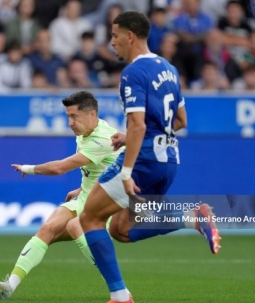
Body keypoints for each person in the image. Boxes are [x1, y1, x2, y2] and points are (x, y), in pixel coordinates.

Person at [78, 11, 221, 303]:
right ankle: (192, 218)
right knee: (121, 229)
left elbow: (139, 124)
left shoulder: (132, 72)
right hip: (168, 161)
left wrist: (128, 171)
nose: (112, 42)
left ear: (130, 36)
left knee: (89, 218)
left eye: (115, 35)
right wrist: (127, 137)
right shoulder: (168, 68)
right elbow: (181, 120)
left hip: (142, 161)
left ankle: (120, 297)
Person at [0, 90, 124, 300]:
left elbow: (60, 168)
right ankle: (9, 286)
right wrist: (81, 189)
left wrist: (28, 168)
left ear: (92, 114)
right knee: (48, 228)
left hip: (106, 205)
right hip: (87, 197)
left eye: (74, 116)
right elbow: (105, 170)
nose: (70, 122)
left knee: (75, 225)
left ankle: (121, 292)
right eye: (68, 116)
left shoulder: (103, 139)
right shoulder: (85, 133)